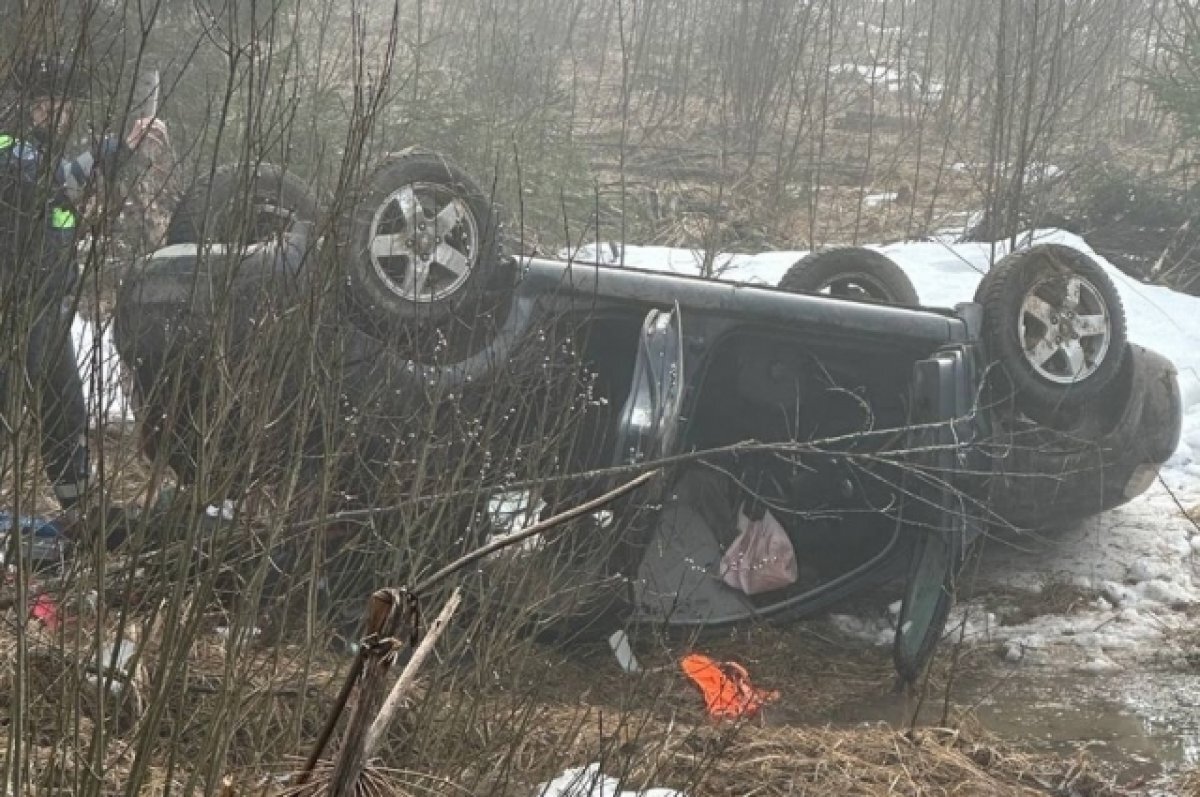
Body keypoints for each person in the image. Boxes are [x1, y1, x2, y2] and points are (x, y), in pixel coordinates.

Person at [0, 54, 156, 512]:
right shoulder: (10, 143)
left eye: (70, 103)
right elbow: (47, 181)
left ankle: (81, 510)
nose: (65, 113)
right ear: (34, 103)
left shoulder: (44, 148)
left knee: (65, 410)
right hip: (12, 307)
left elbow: (57, 211)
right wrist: (117, 149)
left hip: (46, 306)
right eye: (58, 102)